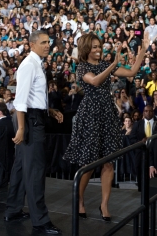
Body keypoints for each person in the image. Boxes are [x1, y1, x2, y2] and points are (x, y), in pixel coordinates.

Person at [63, 31, 148, 221]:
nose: (98, 49)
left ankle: (104, 205)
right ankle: (80, 200)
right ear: (86, 49)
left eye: (99, 46)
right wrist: (113, 63)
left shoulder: (105, 65)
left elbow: (132, 72)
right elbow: (95, 80)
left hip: (108, 114)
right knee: (90, 164)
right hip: (90, 115)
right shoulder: (82, 67)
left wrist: (142, 52)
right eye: (94, 47)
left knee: (109, 162)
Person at [4, 31, 63, 235]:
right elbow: (20, 100)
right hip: (28, 121)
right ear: (31, 44)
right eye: (43, 42)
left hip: (33, 116)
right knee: (35, 171)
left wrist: (49, 110)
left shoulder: (36, 63)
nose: (48, 45)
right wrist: (21, 128)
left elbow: (33, 97)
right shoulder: (29, 65)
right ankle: (40, 221)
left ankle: (13, 210)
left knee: (21, 166)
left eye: (49, 42)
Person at [129, 105, 157, 191]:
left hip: (155, 153)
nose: (148, 113)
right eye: (146, 111)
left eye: (150, 111)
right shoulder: (137, 124)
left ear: (153, 112)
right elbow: (132, 138)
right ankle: (141, 190)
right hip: (140, 153)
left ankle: (153, 191)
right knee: (140, 172)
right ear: (143, 112)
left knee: (154, 172)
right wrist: (140, 142)